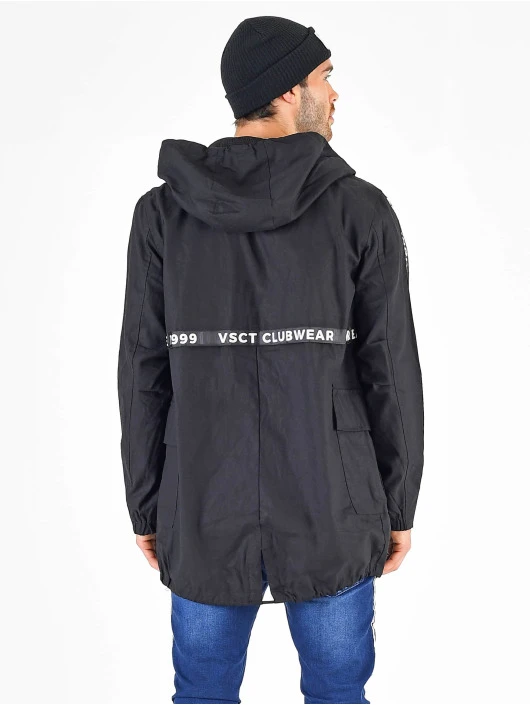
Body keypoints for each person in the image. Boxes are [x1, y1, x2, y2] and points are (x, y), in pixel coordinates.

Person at [117, 15, 424, 705]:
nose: (334, 94)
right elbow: (390, 372)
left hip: (201, 502)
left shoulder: (162, 216)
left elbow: (142, 373)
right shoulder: (361, 210)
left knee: (201, 693)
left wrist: (147, 503)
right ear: (287, 91)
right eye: (324, 78)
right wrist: (398, 502)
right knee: (339, 694)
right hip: (333, 504)